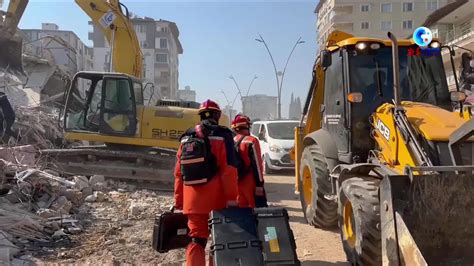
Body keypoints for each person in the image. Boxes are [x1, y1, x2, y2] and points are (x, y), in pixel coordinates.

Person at [174, 99, 238, 266]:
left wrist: (179, 200)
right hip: (217, 200)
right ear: (218, 116)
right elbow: (228, 170)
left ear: (200, 115)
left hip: (192, 201)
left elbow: (179, 173)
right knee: (219, 239)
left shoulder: (186, 137)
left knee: (196, 239)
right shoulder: (224, 136)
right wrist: (232, 198)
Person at [231, 114, 268, 208]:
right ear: (247, 126)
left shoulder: (232, 141)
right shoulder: (252, 141)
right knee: (257, 210)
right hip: (250, 181)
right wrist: (259, 184)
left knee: (242, 211)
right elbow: (258, 165)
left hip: (237, 182)